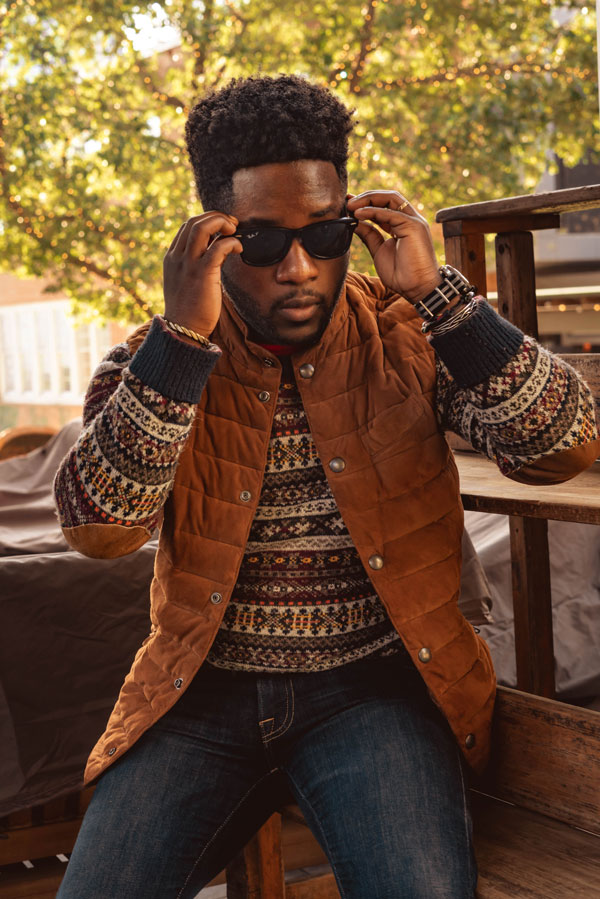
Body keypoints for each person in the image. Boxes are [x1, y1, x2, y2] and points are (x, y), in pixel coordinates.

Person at [54, 75, 599, 898]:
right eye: (266, 244)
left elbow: (565, 444)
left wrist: (440, 292)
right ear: (214, 236)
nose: (302, 269)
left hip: (377, 692)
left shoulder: (411, 331)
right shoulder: (155, 355)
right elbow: (100, 528)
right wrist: (178, 344)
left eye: (329, 233)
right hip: (200, 694)